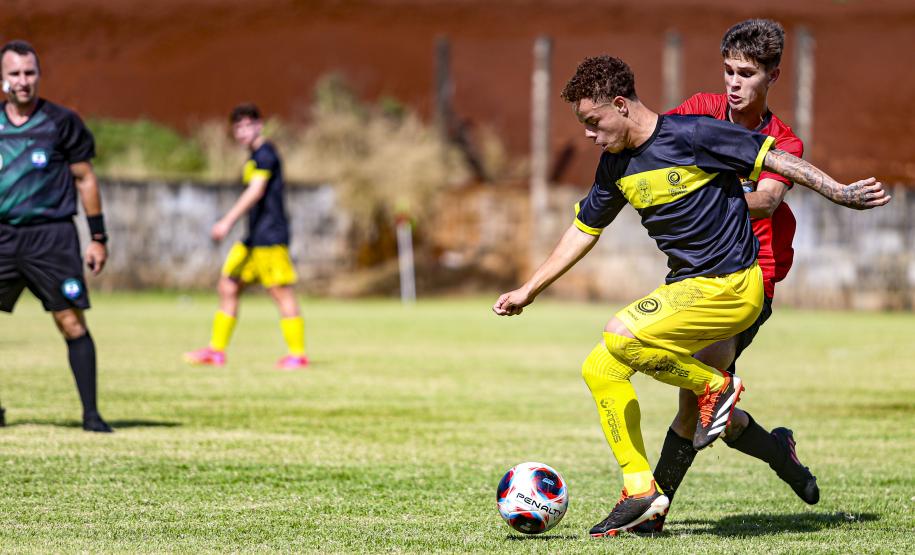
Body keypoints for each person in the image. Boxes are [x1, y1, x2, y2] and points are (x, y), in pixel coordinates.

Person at [492, 55, 888, 537]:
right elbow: (583, 229)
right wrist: (528, 289)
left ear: (620, 104)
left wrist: (840, 192)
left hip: (734, 284)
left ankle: (713, 387)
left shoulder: (694, 133)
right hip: (688, 290)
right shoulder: (615, 166)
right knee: (600, 367)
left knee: (621, 335)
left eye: (594, 123)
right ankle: (641, 489)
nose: (591, 135)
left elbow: (777, 159)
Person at [635, 18, 827, 534]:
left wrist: (699, 200)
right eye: (728, 71)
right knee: (705, 404)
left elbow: (765, 200)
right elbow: (654, 141)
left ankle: (651, 511)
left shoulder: (782, 140)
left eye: (746, 73)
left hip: (750, 275)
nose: (734, 83)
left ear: (773, 75)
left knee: (700, 401)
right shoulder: (699, 111)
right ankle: (782, 455)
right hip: (694, 271)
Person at [0, 40, 112, 432]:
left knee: (70, 322)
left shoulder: (61, 122)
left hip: (52, 237)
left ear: (39, 76)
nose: (23, 81)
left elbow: (85, 179)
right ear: (3, 79)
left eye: (29, 73)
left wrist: (97, 237)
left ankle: (92, 415)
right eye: (15, 73)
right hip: (2, 237)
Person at [184, 103, 308, 370]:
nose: (242, 132)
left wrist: (227, 221)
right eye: (237, 127)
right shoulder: (253, 156)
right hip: (252, 238)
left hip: (270, 237)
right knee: (228, 285)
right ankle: (216, 351)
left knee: (280, 292)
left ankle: (297, 355)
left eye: (247, 125)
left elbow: (256, 191)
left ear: (259, 125)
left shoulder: (266, 155)